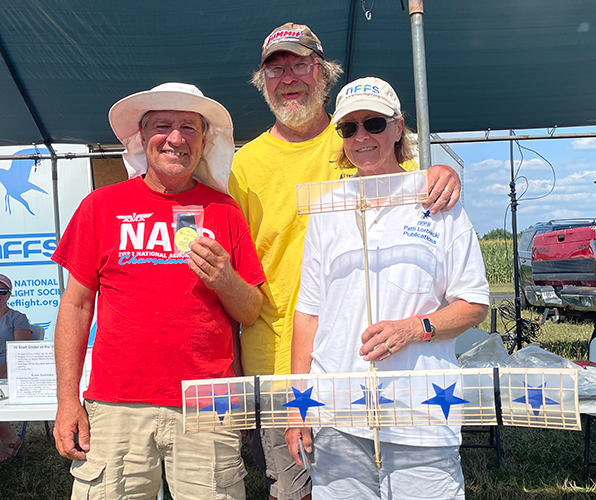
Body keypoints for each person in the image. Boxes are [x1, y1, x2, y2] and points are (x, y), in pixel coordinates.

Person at [228, 22, 463, 500]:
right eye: (276, 69)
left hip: (372, 360)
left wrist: (440, 170)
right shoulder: (245, 164)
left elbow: (411, 175)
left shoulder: (357, 132)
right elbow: (240, 271)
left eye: (300, 64)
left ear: (324, 73)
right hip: (280, 359)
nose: (289, 77)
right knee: (298, 490)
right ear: (262, 81)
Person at [51, 83, 265, 500]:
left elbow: (251, 310)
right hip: (116, 404)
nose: (176, 137)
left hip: (207, 403)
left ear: (204, 141)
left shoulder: (225, 211)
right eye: (162, 125)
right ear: (141, 136)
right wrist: (66, 402)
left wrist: (225, 279)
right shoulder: (101, 206)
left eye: (189, 127)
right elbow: (76, 307)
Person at [284, 77, 489, 500]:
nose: (362, 137)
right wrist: (297, 406)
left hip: (420, 415)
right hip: (338, 413)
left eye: (374, 123)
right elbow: (309, 313)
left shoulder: (437, 201)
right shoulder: (326, 209)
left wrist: (415, 329)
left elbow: (474, 304)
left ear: (398, 128)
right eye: (349, 128)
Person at [0, 274, 32, 464]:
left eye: (2, 291)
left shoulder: (17, 318)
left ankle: (10, 439)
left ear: (9, 294)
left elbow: (20, 353)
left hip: (8, 371)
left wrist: (4, 369)